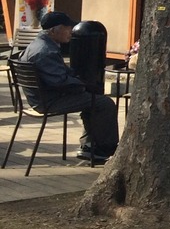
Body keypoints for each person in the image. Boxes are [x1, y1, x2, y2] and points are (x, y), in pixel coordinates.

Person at [14, 11, 118, 162]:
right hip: (49, 100)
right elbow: (59, 81)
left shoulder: (38, 45)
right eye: (68, 28)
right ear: (54, 30)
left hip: (41, 96)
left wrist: (79, 82)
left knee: (92, 99)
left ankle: (89, 146)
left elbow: (59, 74)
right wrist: (83, 84)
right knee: (104, 103)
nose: (71, 31)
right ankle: (105, 148)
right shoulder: (46, 51)